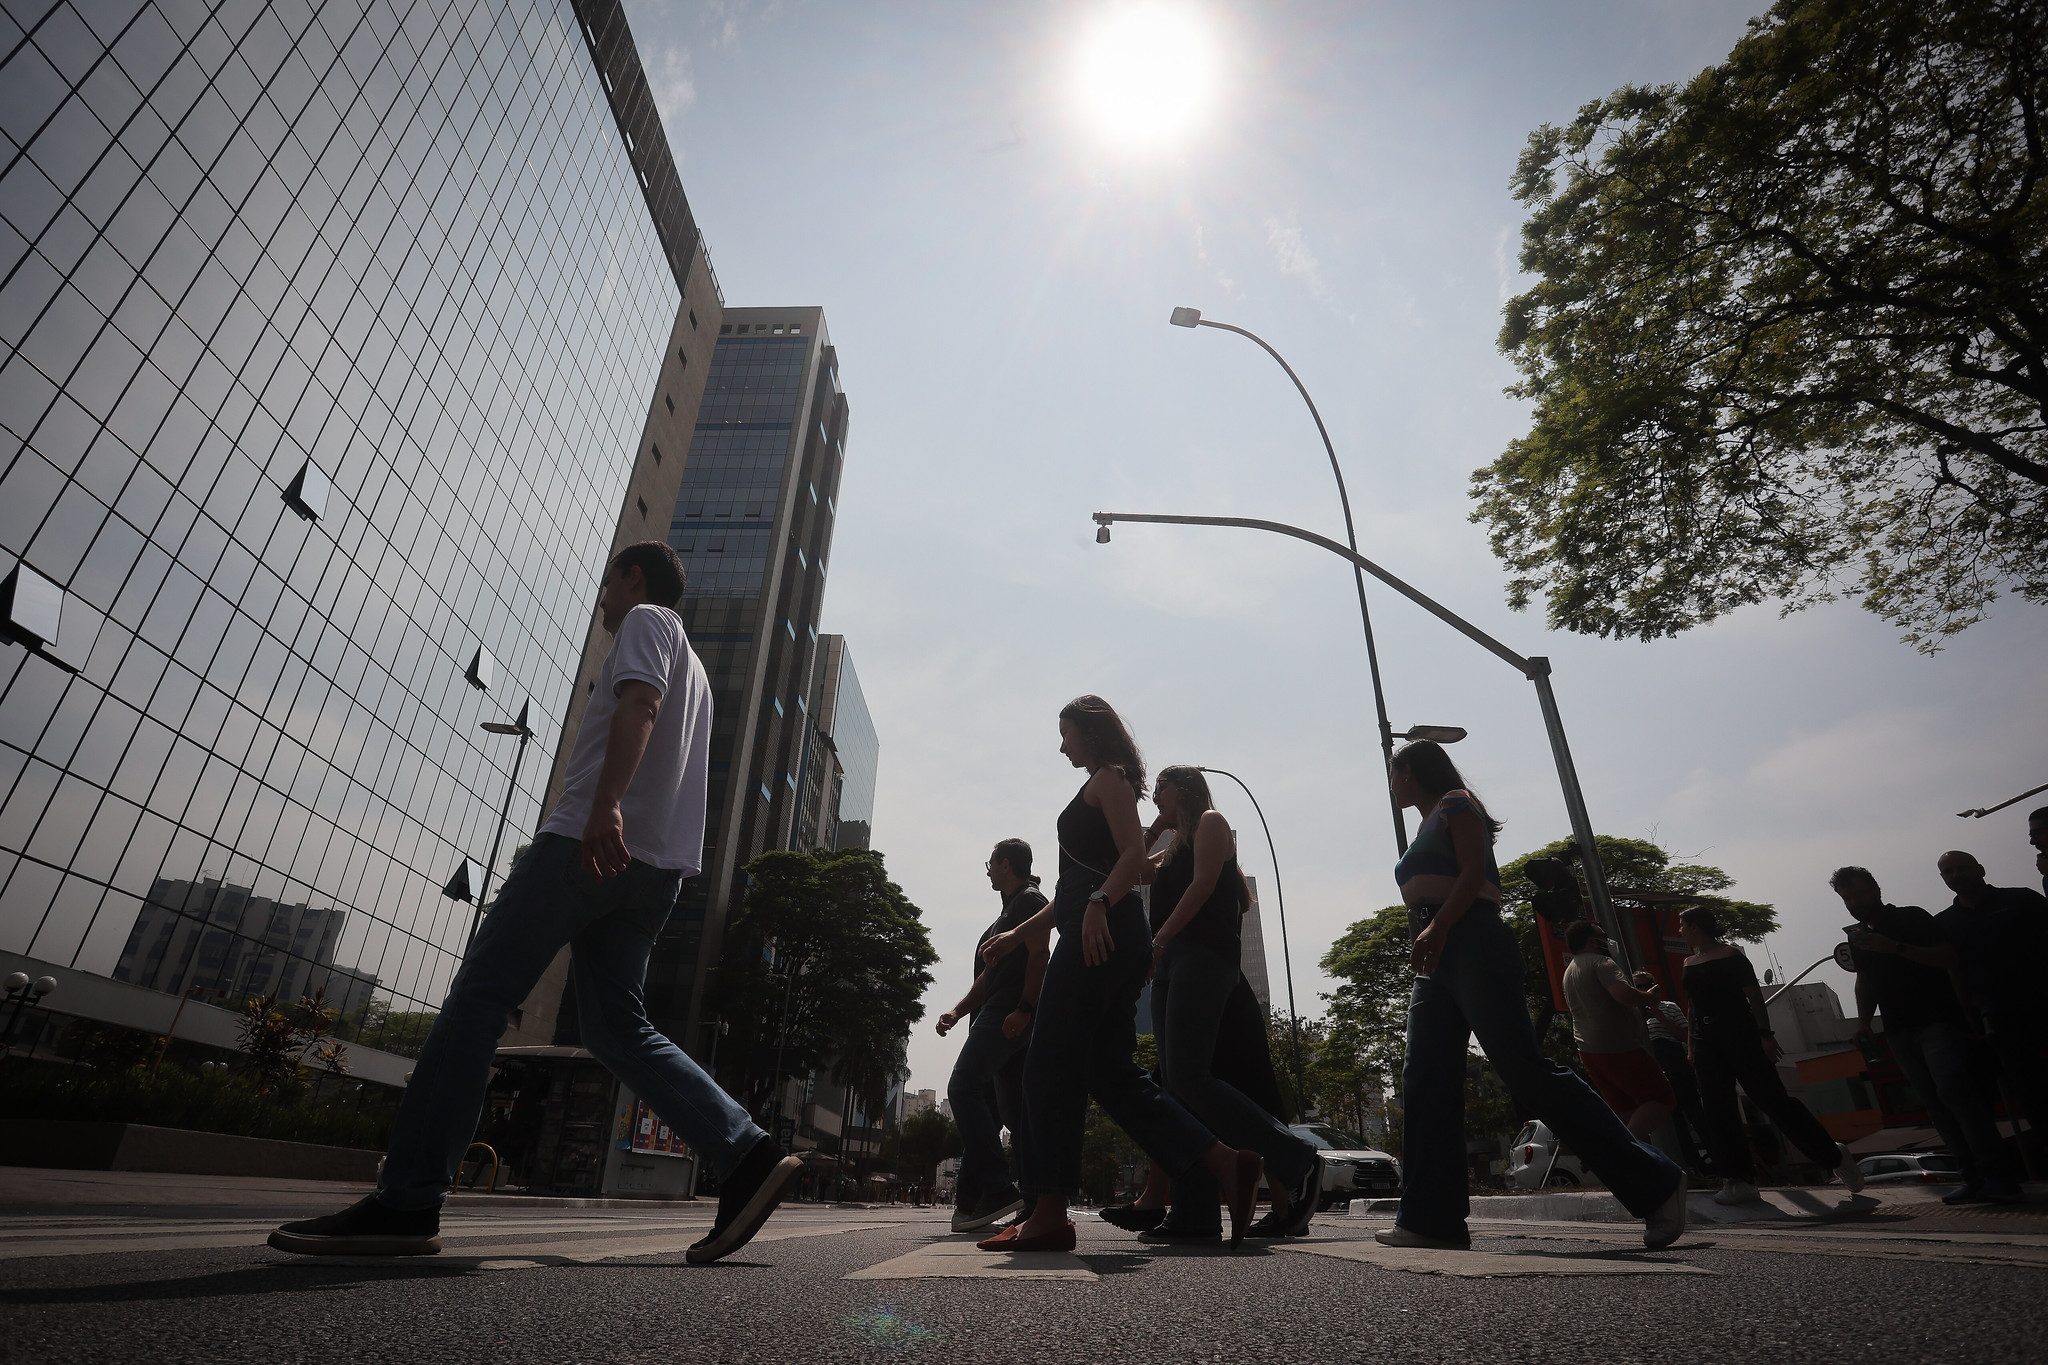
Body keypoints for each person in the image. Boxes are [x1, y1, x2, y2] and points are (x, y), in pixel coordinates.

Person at [269, 543, 798, 1262]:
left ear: (634, 578)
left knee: (479, 998)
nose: (602, 598)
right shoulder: (699, 670)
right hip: (655, 873)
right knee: (618, 1029)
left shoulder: (647, 620)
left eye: (607, 582)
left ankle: (408, 1200)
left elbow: (639, 703)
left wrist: (605, 805)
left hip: (587, 846)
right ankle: (747, 1154)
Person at [977, 697, 1263, 1251]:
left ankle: (1047, 1211)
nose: (1061, 745)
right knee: (1108, 1074)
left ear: (1091, 733)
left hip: (1101, 934)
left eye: (1066, 733)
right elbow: (1080, 886)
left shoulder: (1108, 778)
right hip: (1104, 926)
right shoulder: (1105, 786)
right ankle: (1224, 1162)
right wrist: (1018, 935)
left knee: (1046, 1064)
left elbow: (1129, 857)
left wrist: (1099, 904)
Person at [1379, 740, 1686, 1252]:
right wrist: (1433, 932)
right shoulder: (1427, 821)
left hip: (1471, 938)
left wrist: (1440, 927)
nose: (1391, 787)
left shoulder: (1456, 803)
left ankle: (1655, 1183)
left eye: (1393, 775)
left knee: (1522, 1068)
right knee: (1424, 1079)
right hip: (1437, 952)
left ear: (1409, 770)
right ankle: (1431, 1218)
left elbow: (1474, 875)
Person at [1140, 766, 1320, 1241]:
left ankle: (1295, 1158)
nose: (1154, 796)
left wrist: (1159, 940)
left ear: (1184, 788)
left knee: (1187, 1076)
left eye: (1161, 788)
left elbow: (1202, 885)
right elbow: (1135, 869)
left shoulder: (1211, 822)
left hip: (1201, 957)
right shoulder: (1172, 846)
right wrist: (1155, 830)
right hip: (1170, 963)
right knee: (1174, 1087)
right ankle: (1191, 1212)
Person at [1833, 866, 2019, 1204]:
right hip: (1897, 1030)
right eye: (1847, 899)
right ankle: (1972, 1176)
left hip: (1937, 1021)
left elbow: (1949, 958)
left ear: (1876, 889)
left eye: (1859, 894)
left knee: (1956, 1095)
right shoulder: (1857, 937)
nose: (1855, 903)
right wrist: (1863, 1023)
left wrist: (1894, 947)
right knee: (1935, 1105)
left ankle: (1998, 1175)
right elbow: (1865, 980)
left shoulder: (1912, 918)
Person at [1677, 905, 1862, 1205]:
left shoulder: (1731, 955)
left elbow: (1753, 996)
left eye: (1682, 925)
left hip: (1740, 1033)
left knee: (1772, 1100)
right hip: (1705, 1040)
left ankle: (1834, 1155)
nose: (1680, 931)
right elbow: (1692, 1005)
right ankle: (1739, 1179)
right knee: (1716, 1107)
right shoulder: (1688, 962)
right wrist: (1691, 1045)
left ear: (1695, 926)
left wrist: (1765, 1035)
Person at [935, 839, 1049, 1231]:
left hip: (1007, 1014)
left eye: (991, 863)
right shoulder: (1006, 915)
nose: (987, 871)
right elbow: (988, 977)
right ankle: (1030, 1201)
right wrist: (957, 1011)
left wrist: (1025, 1008)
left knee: (962, 1086)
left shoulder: (1029, 901)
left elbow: (1040, 955)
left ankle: (999, 1189)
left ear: (1005, 865)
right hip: (1001, 1013)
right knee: (1014, 1114)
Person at [1934, 850, 2048, 1155]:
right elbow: (1954, 973)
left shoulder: (2022, 900)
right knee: (2030, 1093)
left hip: (2042, 1002)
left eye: (1961, 868)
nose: (1956, 875)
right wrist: (1968, 1017)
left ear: (1981, 869)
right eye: (1948, 872)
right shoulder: (1943, 924)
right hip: (1999, 1018)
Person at [1561, 920, 1676, 1140]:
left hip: (1589, 1050)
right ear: (1591, 941)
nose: (1607, 940)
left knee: (1624, 1108)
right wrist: (1648, 997)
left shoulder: (1571, 969)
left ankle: (1621, 1151)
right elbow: (1623, 995)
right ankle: (1625, 1150)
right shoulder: (1602, 962)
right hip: (1618, 1047)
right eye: (1603, 936)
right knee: (1662, 1098)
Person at [1634, 970, 1713, 1176]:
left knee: (1695, 1113)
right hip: (1650, 1062)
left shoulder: (1668, 1007)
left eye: (1646, 986)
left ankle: (1719, 1159)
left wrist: (1660, 1016)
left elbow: (1686, 1036)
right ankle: (1693, 1165)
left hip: (1673, 1059)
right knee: (1673, 1121)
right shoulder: (1632, 1014)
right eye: (1638, 987)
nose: (1643, 990)